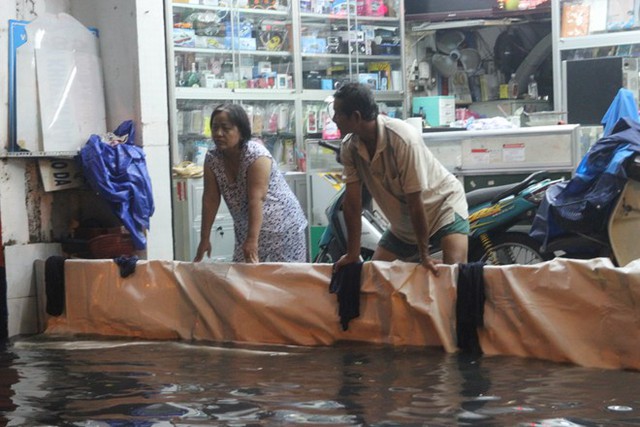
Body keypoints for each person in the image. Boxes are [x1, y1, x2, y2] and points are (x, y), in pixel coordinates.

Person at [331, 83, 469, 274]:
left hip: (442, 206)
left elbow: (415, 201)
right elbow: (352, 204)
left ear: (356, 117)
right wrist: (352, 254)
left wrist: (424, 256)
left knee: (453, 277)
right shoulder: (350, 147)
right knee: (374, 279)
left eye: (338, 114)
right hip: (404, 223)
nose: (334, 119)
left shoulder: (402, 139)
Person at [194, 104, 308, 263]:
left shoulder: (257, 156)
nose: (218, 134)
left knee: (285, 281)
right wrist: (204, 238)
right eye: (215, 128)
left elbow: (257, 199)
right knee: (245, 282)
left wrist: (252, 240)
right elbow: (210, 199)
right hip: (247, 229)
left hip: (283, 227)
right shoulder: (213, 158)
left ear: (241, 131)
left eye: (225, 128)